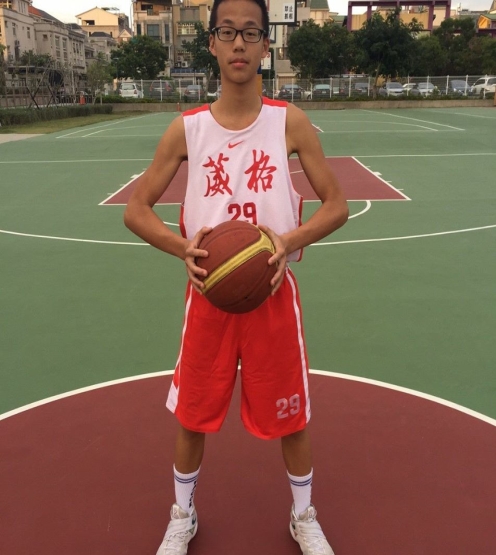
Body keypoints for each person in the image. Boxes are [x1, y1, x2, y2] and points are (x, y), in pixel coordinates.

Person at [123, 0, 349, 553]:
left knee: (291, 416)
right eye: (228, 32)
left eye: (251, 33)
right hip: (209, 297)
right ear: (212, 44)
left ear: (267, 45)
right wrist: (183, 248)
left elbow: (336, 205)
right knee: (192, 416)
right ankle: (183, 514)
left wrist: (288, 240)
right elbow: (136, 210)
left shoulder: (289, 121)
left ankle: (303, 516)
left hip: (271, 294)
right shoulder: (188, 130)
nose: (240, 43)